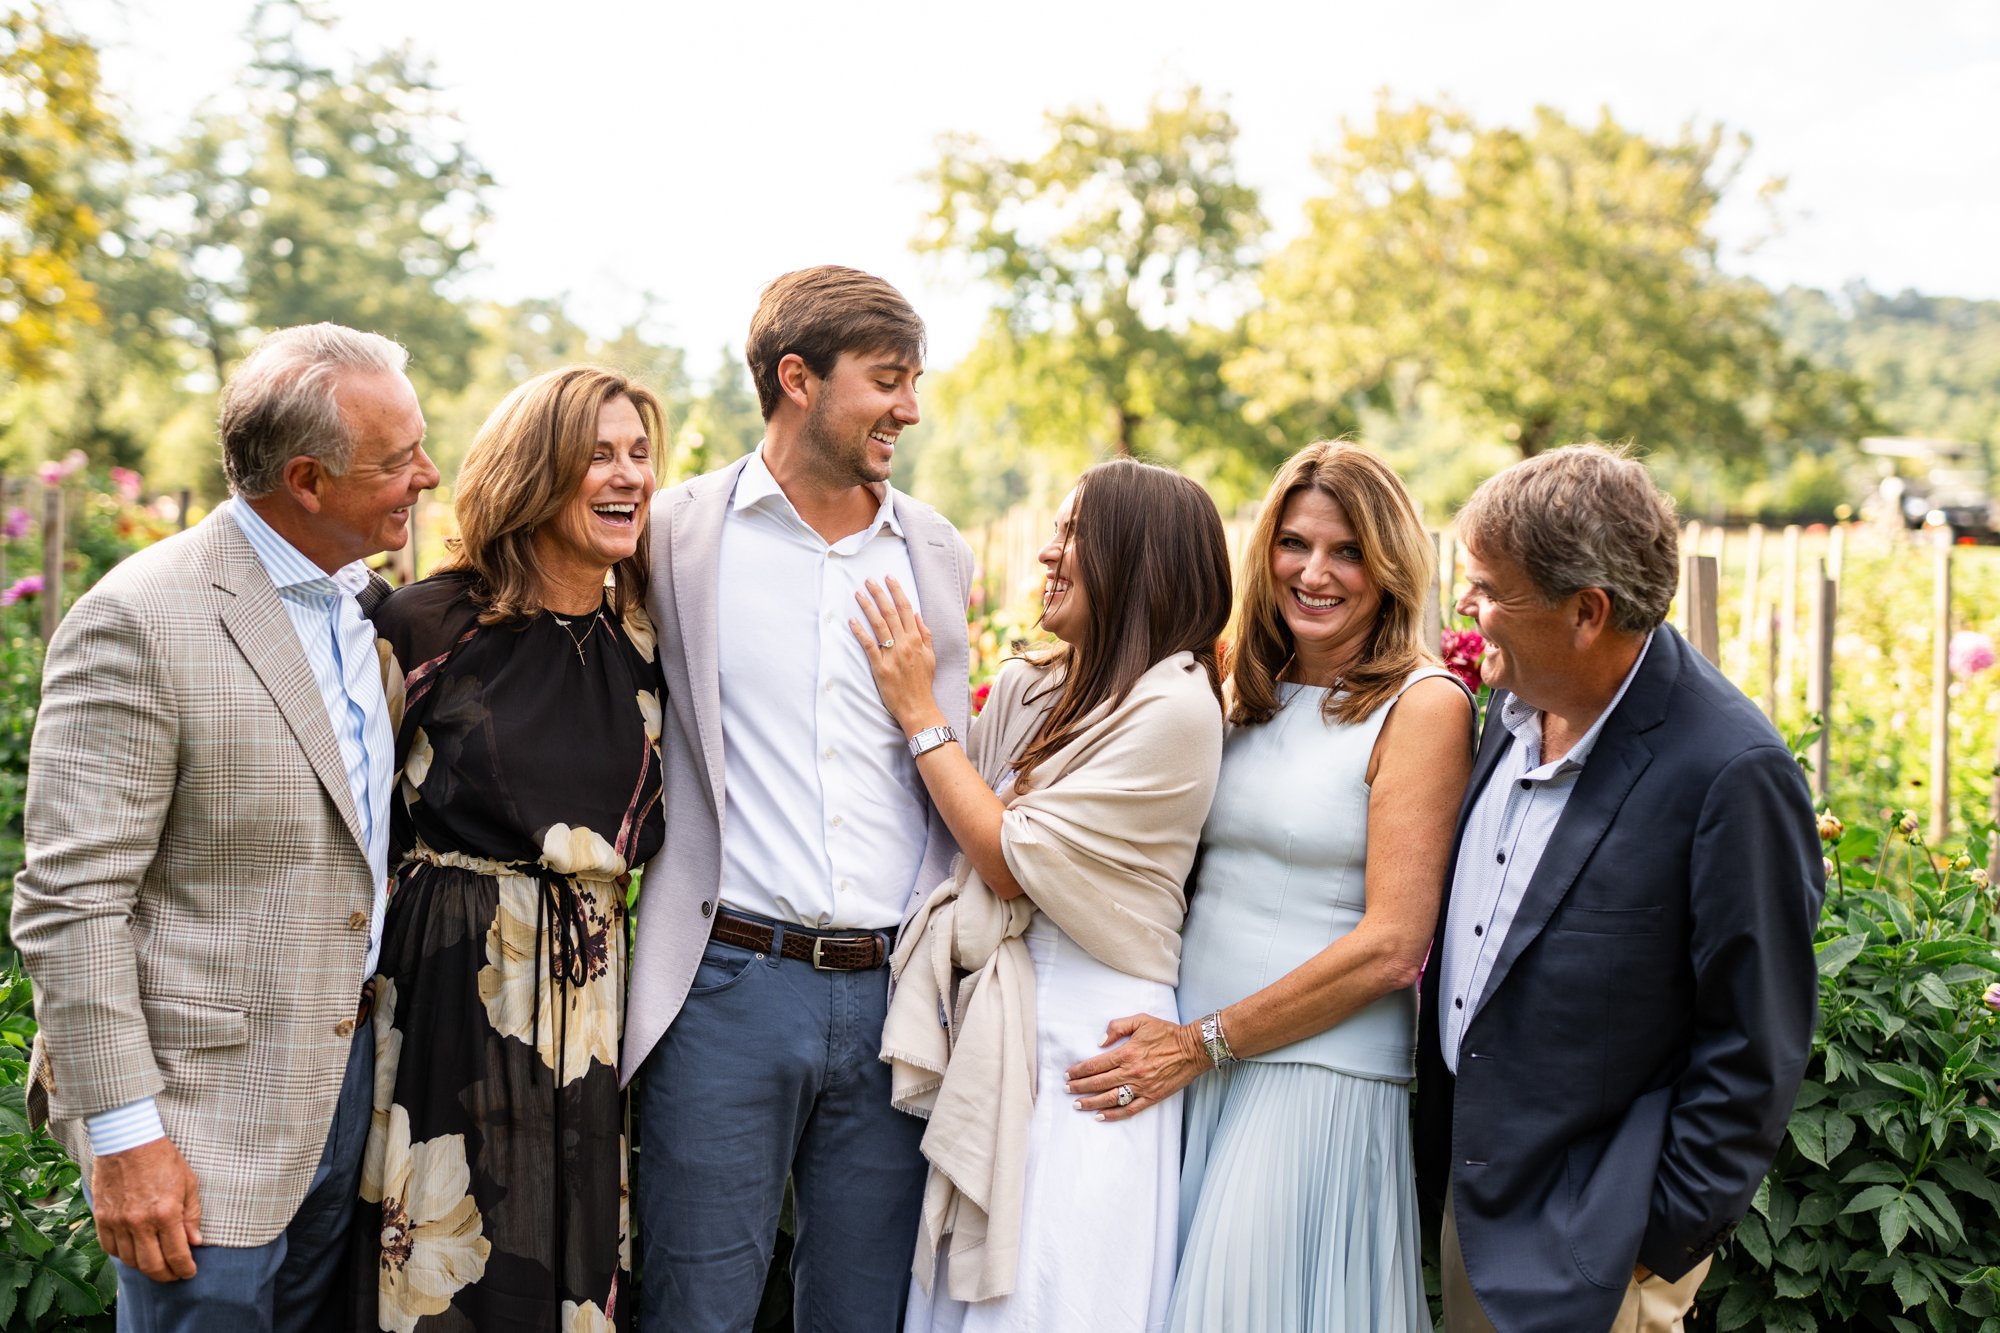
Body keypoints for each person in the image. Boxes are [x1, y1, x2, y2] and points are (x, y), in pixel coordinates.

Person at [11, 323, 438, 1331]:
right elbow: (71, 905)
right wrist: (125, 1140)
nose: (426, 474)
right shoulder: (142, 619)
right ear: (306, 480)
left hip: (340, 1099)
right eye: (397, 459)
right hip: (195, 1129)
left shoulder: (360, 607)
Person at [623, 266, 973, 1333]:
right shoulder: (676, 535)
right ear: (796, 379)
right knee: (698, 1309)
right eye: (887, 381)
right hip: (725, 981)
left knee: (864, 1314)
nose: (908, 409)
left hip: (891, 1001)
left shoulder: (936, 551)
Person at [1062, 442, 1474, 1331]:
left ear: (1393, 566)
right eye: (1295, 543)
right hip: (1183, 1060)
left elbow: (1394, 944)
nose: (1314, 572)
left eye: (1349, 551)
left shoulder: (1423, 702)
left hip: (1309, 1073)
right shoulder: (1236, 685)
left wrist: (1206, 1041)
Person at [1415, 444, 1825, 1333]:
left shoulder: (1729, 771)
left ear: (1586, 612)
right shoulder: (1513, 705)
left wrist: (1648, 1245)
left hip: (1592, 1253)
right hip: (1475, 1206)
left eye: (1488, 587)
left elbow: (1756, 1045)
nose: (1467, 608)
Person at [866, 457, 1233, 1332]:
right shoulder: (1037, 685)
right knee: (967, 1296)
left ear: (1135, 560)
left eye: (1073, 535)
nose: (1046, 553)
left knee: (1059, 1292)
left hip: (1098, 1048)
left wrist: (920, 709)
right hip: (1001, 1016)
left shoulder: (1176, 707)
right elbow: (960, 808)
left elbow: (1003, 852)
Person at [347, 365, 665, 1330]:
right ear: (536, 472)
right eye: (599, 454)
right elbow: (348, 821)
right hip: (451, 985)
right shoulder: (427, 623)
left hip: (591, 997)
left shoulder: (647, 636)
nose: (629, 477)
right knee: (445, 1262)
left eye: (641, 454)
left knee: (563, 1267)